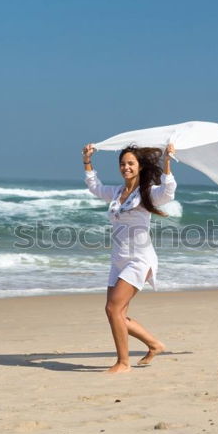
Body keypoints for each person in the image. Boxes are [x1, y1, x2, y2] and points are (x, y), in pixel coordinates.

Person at [82, 141, 177, 374]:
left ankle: (123, 363)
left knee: (114, 309)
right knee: (115, 312)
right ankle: (155, 344)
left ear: (140, 167)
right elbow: (95, 187)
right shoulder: (116, 192)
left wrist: (166, 162)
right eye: (123, 164)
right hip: (118, 259)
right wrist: (87, 161)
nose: (126, 167)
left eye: (131, 163)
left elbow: (168, 192)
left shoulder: (148, 193)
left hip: (139, 259)